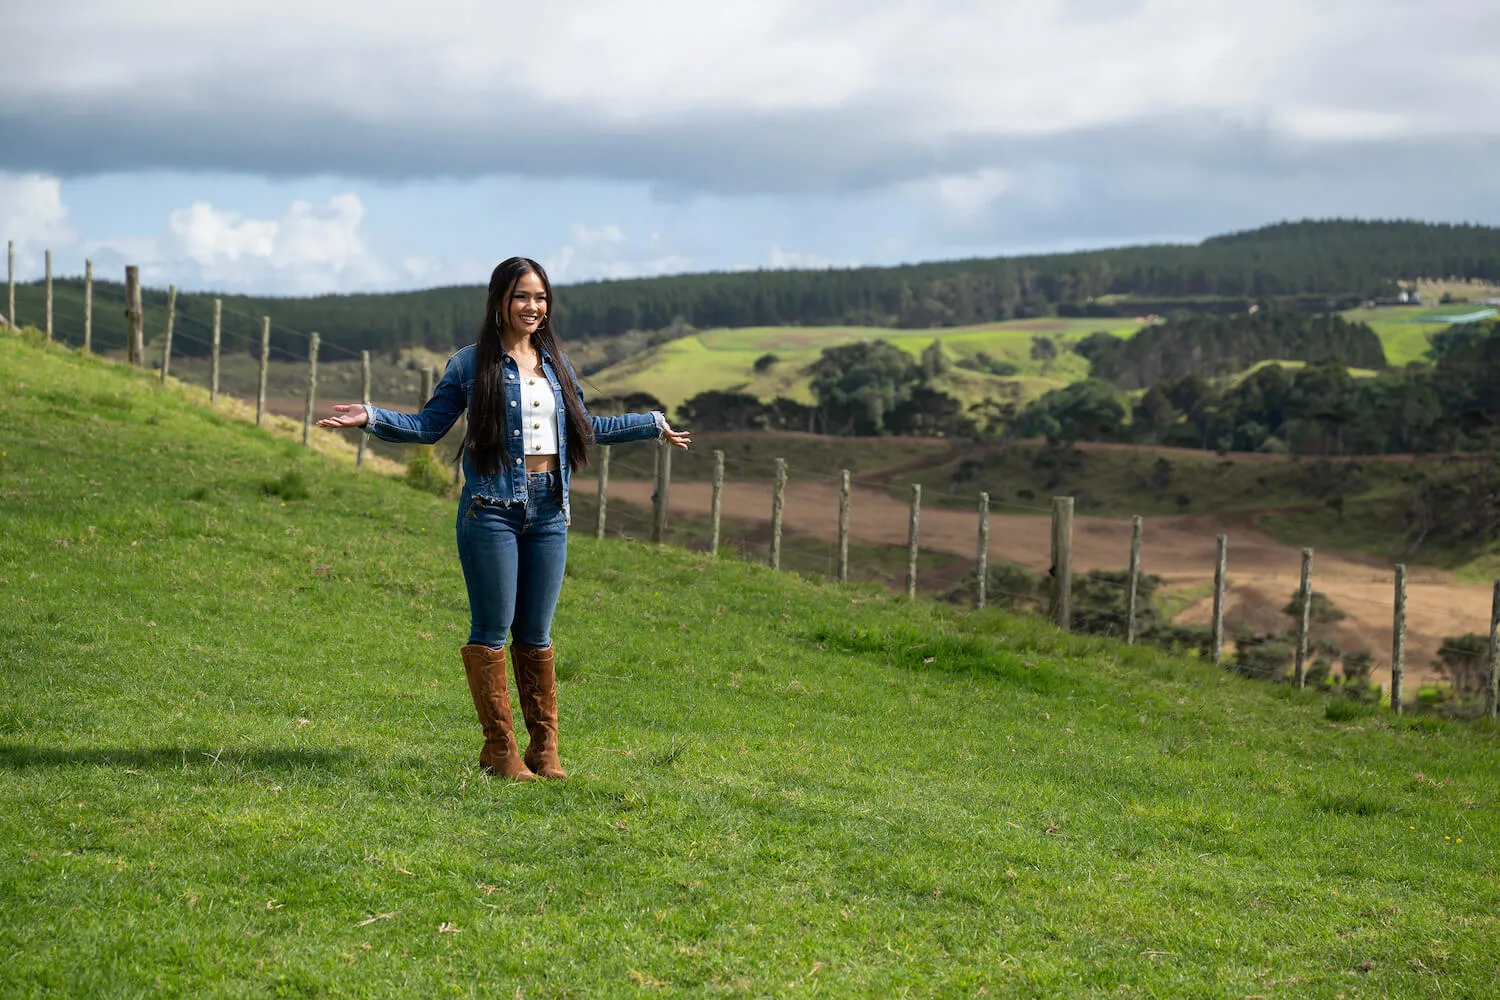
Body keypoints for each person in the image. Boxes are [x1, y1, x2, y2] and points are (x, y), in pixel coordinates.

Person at [318, 257, 690, 781]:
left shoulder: (557, 365)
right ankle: (500, 750)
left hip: (549, 513)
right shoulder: (471, 364)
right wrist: (372, 416)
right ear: (500, 302)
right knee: (492, 631)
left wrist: (650, 424)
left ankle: (544, 750)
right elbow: (429, 427)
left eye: (540, 298)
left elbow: (587, 426)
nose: (532, 307)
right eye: (522, 297)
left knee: (536, 633)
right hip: (490, 510)